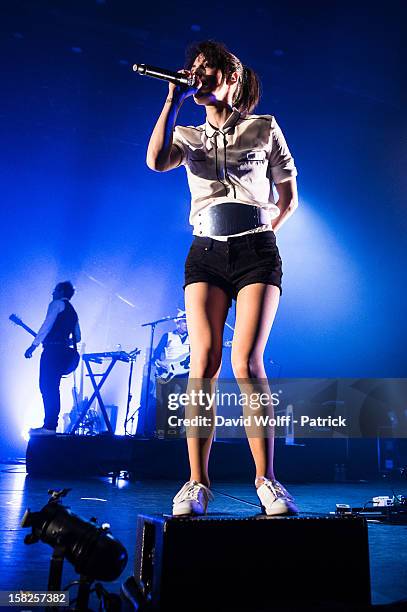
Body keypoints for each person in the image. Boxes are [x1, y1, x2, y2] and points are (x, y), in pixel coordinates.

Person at [146, 40, 299, 516]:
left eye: (207, 69)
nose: (197, 74)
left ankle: (267, 481)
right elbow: (155, 161)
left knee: (247, 363)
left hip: (255, 249)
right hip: (205, 253)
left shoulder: (264, 127)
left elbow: (288, 197)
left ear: (231, 78)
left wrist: (258, 236)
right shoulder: (187, 136)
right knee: (203, 363)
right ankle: (196, 484)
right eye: (193, 70)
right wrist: (171, 98)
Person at [24, 281, 81, 435]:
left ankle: (49, 427)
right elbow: (78, 337)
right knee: (53, 388)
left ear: (61, 291)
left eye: (55, 290)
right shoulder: (73, 311)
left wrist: (33, 345)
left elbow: (46, 325)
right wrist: (64, 340)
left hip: (52, 352)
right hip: (63, 353)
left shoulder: (56, 304)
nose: (53, 293)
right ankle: (50, 426)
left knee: (46, 387)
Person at [153, 313, 190, 438]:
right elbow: (156, 354)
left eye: (188, 321)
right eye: (184, 321)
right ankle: (161, 431)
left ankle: (178, 431)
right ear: (178, 322)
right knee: (165, 402)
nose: (187, 324)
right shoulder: (168, 336)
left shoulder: (193, 338)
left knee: (184, 403)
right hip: (169, 372)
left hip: (184, 373)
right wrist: (162, 364)